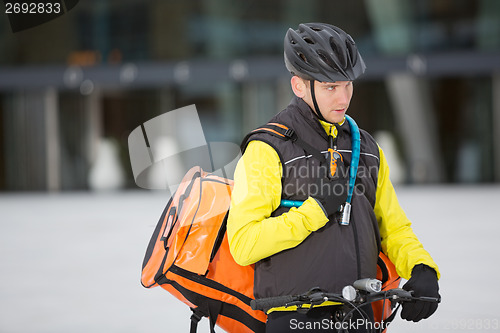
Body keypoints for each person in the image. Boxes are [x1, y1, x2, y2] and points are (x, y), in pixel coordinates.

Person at [227, 23, 440, 332]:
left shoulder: (367, 149)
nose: (343, 98)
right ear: (299, 86)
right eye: (330, 87)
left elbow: (394, 229)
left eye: (347, 85)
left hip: (360, 314)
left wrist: (422, 268)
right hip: (295, 319)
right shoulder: (267, 148)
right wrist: (315, 210)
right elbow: (244, 243)